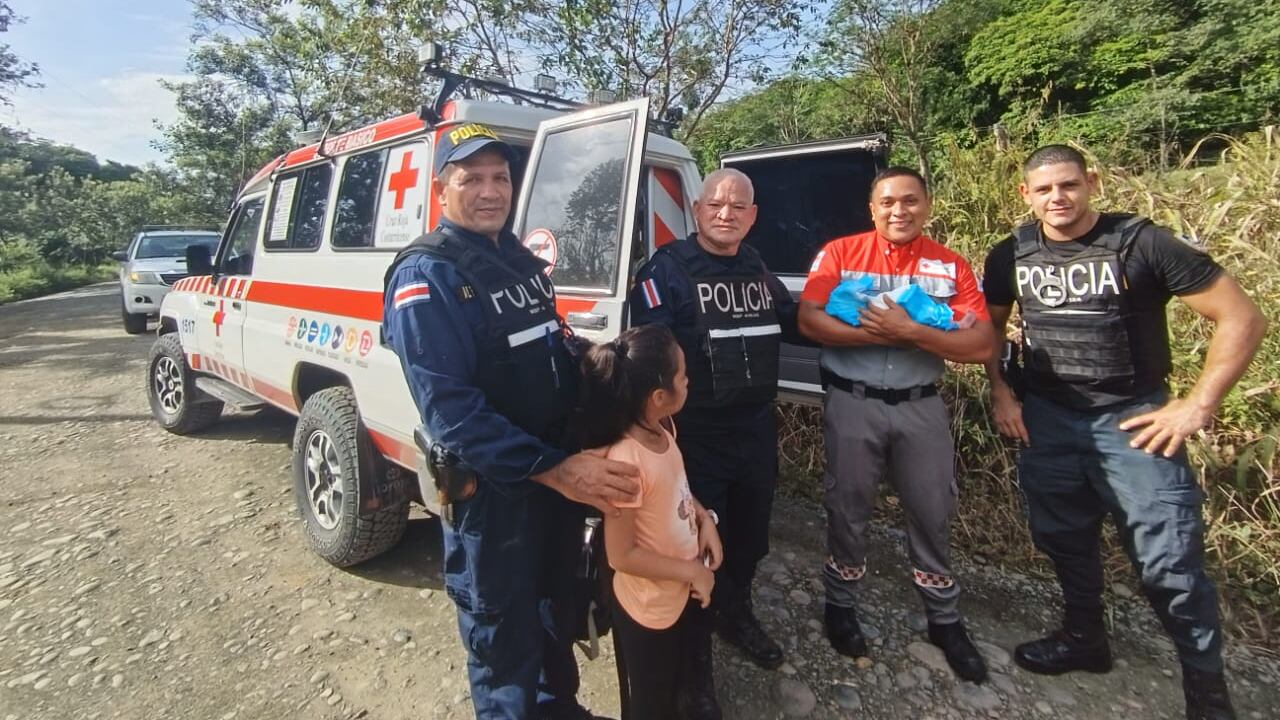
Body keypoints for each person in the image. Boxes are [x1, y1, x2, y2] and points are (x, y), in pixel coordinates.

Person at [982, 145, 1266, 720]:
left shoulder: (1143, 243)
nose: (1057, 199)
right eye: (1044, 190)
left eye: (1068, 186)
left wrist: (1197, 406)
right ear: (1025, 195)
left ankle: (1207, 696)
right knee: (1062, 536)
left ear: (1091, 182)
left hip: (1133, 422)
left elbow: (1241, 316)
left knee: (1169, 562)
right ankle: (1085, 639)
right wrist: (1002, 390)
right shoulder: (1010, 252)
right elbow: (990, 326)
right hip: (1049, 418)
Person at [382, 123, 641, 720]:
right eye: (471, 179)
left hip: (552, 478)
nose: (490, 190)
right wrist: (555, 470)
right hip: (495, 494)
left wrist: (614, 372)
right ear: (442, 191)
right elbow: (450, 410)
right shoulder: (426, 275)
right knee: (502, 634)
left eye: (500, 177)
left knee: (555, 605)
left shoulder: (518, 260)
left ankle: (558, 710)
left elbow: (552, 346)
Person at [798, 166, 995, 683]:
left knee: (933, 508)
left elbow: (981, 345)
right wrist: (889, 335)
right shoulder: (839, 253)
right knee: (847, 504)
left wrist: (913, 332)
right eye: (887, 202)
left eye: (910, 201)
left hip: (921, 404)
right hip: (853, 400)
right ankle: (840, 605)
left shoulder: (950, 266)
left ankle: (944, 619)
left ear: (927, 204)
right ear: (872, 208)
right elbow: (809, 319)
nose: (898, 211)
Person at [628, 168, 801, 679]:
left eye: (738, 206)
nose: (726, 214)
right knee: (694, 544)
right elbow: (648, 358)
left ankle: (734, 613)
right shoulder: (668, 270)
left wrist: (862, 319)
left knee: (748, 538)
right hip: (696, 436)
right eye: (716, 205)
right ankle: (693, 664)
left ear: (753, 217)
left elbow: (794, 321)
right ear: (698, 211)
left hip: (753, 429)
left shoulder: (756, 266)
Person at [576, 324, 724, 720]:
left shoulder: (661, 429)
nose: (688, 380)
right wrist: (692, 571)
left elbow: (677, 488)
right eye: (682, 376)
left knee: (675, 687)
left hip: (674, 593)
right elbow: (622, 554)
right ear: (660, 397)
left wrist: (704, 518)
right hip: (647, 608)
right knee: (648, 702)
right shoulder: (626, 461)